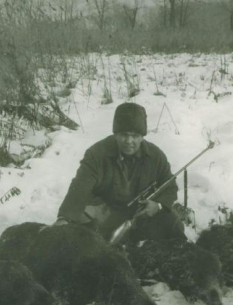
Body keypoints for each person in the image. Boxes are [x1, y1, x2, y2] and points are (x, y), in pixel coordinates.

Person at [56, 102, 186, 244]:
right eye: (124, 135)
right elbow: (80, 187)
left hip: (140, 214)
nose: (129, 141)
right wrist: (64, 218)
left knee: (172, 222)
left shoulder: (155, 156)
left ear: (142, 136)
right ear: (115, 134)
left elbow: (170, 186)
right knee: (82, 240)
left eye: (135, 136)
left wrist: (157, 205)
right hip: (105, 213)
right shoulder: (96, 154)